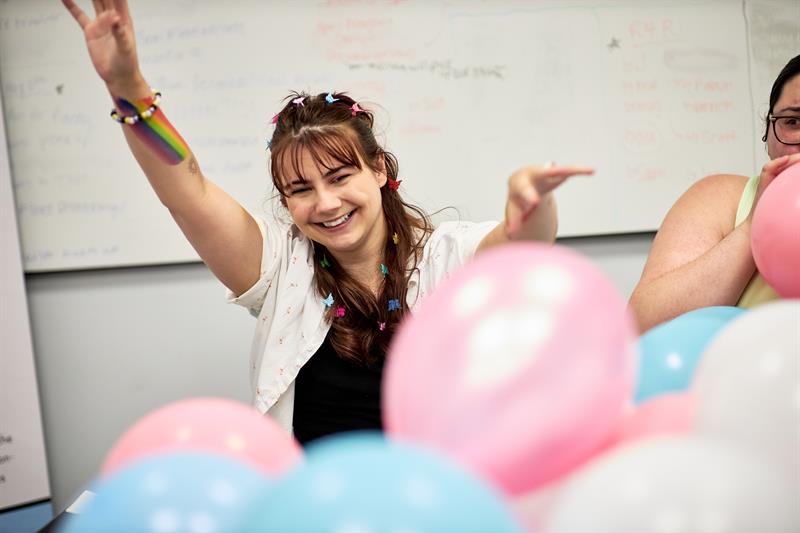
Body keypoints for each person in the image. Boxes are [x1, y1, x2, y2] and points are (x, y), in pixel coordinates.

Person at [63, 0, 593, 444]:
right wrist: (129, 89)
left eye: (340, 177)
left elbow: (520, 247)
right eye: (300, 189)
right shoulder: (279, 267)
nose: (325, 203)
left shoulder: (445, 256)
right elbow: (187, 189)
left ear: (379, 168)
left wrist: (531, 203)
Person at [629, 54, 800, 332]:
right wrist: (751, 226)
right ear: (768, 132)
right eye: (793, 122)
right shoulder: (721, 198)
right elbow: (644, 326)